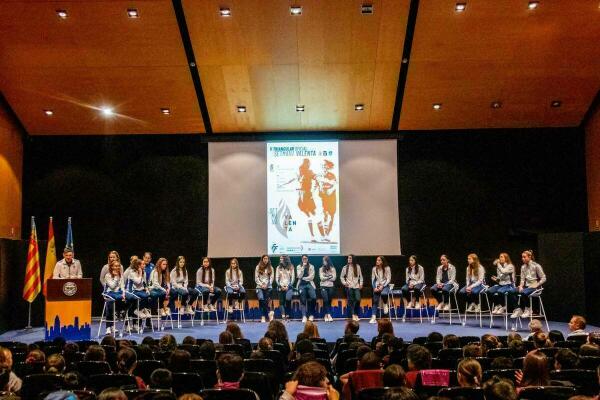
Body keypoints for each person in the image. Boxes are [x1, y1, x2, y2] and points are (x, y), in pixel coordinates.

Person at [510, 250, 546, 319]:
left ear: (529, 257)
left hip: (535, 287)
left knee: (523, 292)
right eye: (522, 257)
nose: (522, 259)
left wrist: (537, 284)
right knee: (511, 291)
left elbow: (544, 278)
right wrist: (520, 286)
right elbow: (522, 279)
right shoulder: (523, 267)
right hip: (526, 286)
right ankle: (518, 309)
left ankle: (528, 309)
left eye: (524, 257)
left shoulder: (536, 266)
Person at [104, 260, 134, 335]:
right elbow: (112, 286)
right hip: (110, 292)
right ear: (112, 267)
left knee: (131, 297)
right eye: (115, 266)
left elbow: (123, 286)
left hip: (119, 293)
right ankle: (109, 327)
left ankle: (122, 311)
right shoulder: (108, 275)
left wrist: (124, 293)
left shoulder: (121, 275)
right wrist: (116, 277)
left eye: (118, 266)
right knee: (110, 304)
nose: (117, 267)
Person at [369, 256, 392, 324]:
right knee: (375, 300)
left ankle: (385, 304)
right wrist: (374, 288)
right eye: (377, 260)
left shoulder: (387, 268)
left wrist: (383, 286)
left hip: (385, 285)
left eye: (379, 260)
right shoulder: (374, 269)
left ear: (382, 262)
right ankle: (373, 317)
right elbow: (373, 279)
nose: (377, 261)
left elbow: (388, 279)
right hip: (377, 285)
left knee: (384, 294)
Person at [340, 254, 363, 321]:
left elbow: (360, 276)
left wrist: (361, 284)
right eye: (348, 258)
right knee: (351, 301)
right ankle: (353, 315)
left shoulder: (358, 267)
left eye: (350, 258)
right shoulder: (345, 267)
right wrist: (344, 283)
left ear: (353, 259)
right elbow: (341, 277)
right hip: (349, 286)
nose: (348, 259)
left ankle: (356, 314)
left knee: (358, 299)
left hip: (356, 286)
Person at [296, 255, 317, 323]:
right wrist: (303, 268)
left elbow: (312, 277)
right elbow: (299, 276)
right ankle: (304, 316)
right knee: (303, 299)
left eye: (306, 258)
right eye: (303, 258)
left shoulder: (311, 266)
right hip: (301, 284)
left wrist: (304, 278)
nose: (304, 259)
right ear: (302, 259)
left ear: (307, 259)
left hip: (309, 284)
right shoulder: (299, 267)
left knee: (313, 297)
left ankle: (311, 315)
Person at [255, 255, 274, 323]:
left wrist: (267, 285)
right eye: (264, 258)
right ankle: (268, 314)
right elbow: (256, 278)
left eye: (267, 258)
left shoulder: (271, 268)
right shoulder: (258, 267)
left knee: (266, 301)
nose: (265, 260)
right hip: (260, 287)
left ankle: (263, 316)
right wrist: (261, 284)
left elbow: (271, 278)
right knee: (261, 300)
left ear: (268, 259)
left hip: (268, 287)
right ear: (262, 259)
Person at [276, 255, 295, 320]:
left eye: (282, 258)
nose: (280, 259)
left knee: (288, 300)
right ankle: (283, 315)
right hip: (280, 286)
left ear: (285, 259)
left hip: (289, 287)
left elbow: (292, 278)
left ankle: (288, 314)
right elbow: (276, 278)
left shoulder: (291, 267)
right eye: (280, 258)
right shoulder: (278, 267)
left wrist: (288, 286)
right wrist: (280, 286)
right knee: (281, 301)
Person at [319, 256, 337, 322]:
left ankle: (325, 315)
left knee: (328, 301)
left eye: (324, 260)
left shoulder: (333, 269)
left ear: (328, 261)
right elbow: (321, 278)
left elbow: (334, 278)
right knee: (325, 299)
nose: (323, 262)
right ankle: (329, 315)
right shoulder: (321, 269)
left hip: (331, 286)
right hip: (323, 286)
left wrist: (326, 277)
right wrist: (329, 277)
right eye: (323, 260)